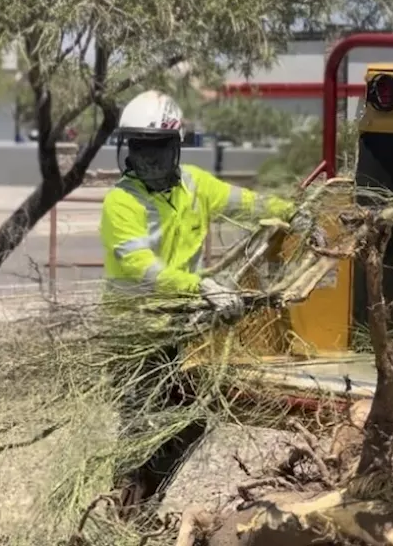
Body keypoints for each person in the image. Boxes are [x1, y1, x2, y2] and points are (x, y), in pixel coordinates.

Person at [98, 89, 295, 509]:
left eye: (154, 149)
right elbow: (140, 267)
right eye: (136, 148)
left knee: (191, 420)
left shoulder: (194, 186)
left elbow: (249, 204)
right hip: (132, 336)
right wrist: (201, 287)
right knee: (139, 428)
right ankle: (125, 511)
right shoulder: (121, 201)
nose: (143, 158)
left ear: (175, 148)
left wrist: (296, 212)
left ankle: (143, 503)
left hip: (175, 331)